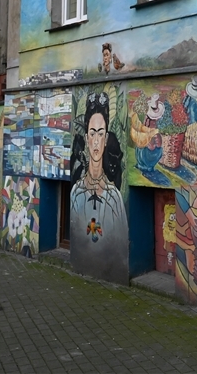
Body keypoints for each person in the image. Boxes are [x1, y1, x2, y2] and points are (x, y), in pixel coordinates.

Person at [70, 92, 128, 283]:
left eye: (101, 134)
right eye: (92, 134)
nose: (96, 141)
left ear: (106, 138)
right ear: (86, 138)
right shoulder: (76, 193)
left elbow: (119, 245)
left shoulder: (114, 198)